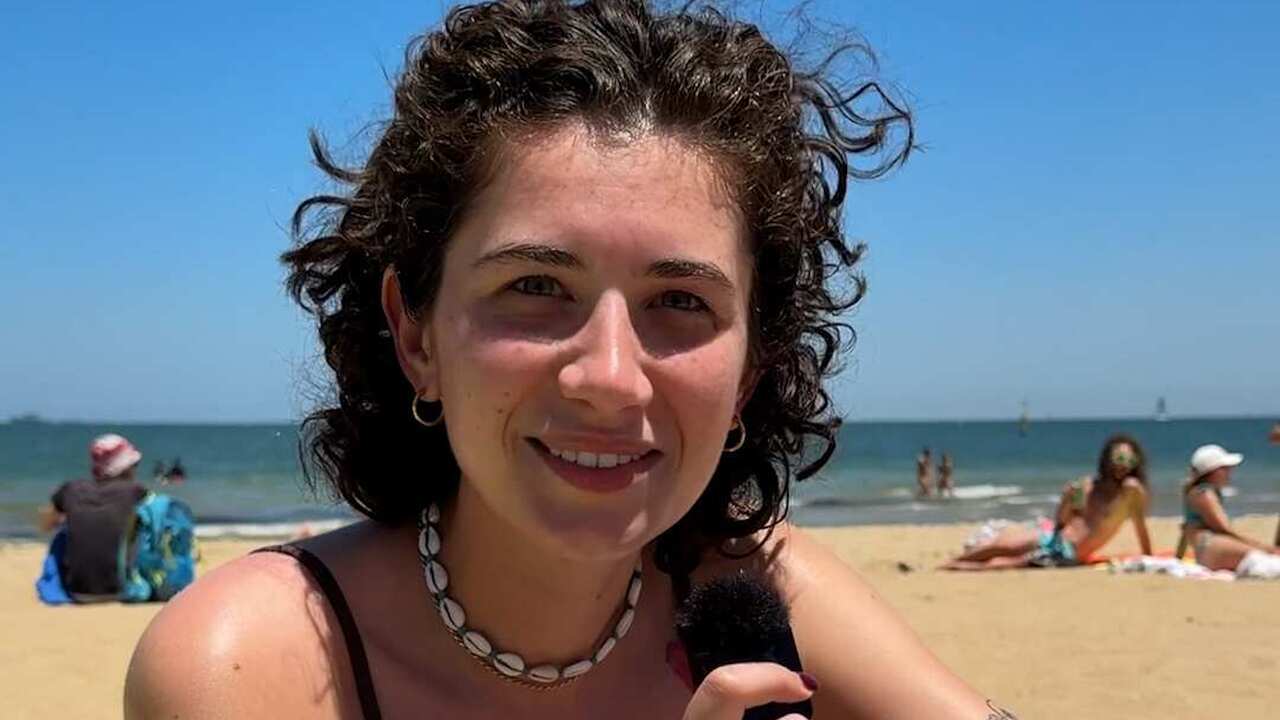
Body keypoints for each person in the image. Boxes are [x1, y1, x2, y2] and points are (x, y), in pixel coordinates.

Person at [125, 2, 1009, 718]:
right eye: (537, 287)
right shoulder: (249, 661)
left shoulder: (757, 587)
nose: (611, 375)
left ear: (749, 370)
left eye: (681, 302)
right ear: (416, 333)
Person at [943, 434, 1153, 570]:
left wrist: (1148, 558)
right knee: (1001, 545)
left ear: (1136, 463)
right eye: (1118, 459)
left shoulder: (1131, 491)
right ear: (1107, 460)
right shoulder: (1088, 486)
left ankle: (953, 566)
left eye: (1128, 460)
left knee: (999, 563)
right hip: (1055, 537)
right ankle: (954, 561)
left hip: (1070, 552)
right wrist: (1065, 500)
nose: (1122, 466)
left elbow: (1140, 526)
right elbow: (1063, 521)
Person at [38, 433, 148, 601]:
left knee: (64, 532)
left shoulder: (71, 490)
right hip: (123, 588)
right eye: (135, 464)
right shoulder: (136, 492)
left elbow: (45, 525)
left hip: (77, 591)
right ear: (126, 467)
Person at [1179, 444, 1280, 573]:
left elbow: (1186, 529)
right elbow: (1223, 529)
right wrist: (1263, 547)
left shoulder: (1197, 492)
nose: (1230, 472)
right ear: (1214, 471)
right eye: (1226, 468)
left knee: (1264, 558)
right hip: (1211, 546)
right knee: (1264, 559)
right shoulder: (1205, 494)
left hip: (1207, 548)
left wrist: (1179, 557)